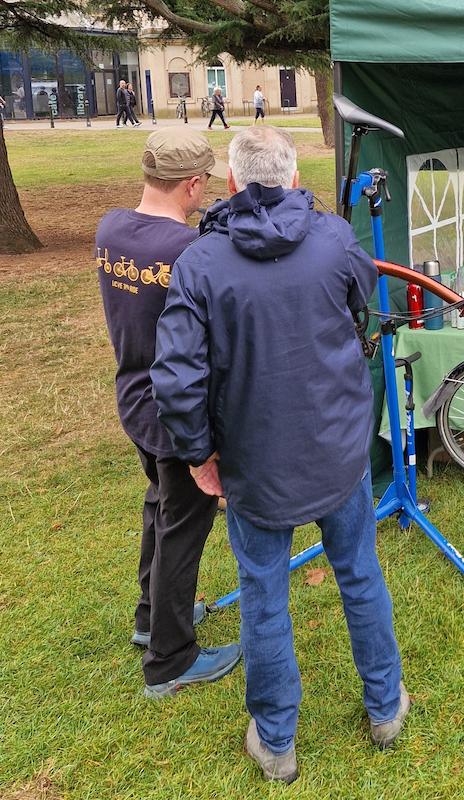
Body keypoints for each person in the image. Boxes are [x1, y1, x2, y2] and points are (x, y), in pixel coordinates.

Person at [151, 126, 407, 784]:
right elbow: (178, 379)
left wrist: (198, 454)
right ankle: (337, 722)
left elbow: (358, 307)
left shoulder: (214, 260)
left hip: (293, 458)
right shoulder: (234, 256)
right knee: (348, 579)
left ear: (234, 183)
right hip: (300, 455)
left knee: (275, 595)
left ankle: (343, 719)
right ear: (291, 180)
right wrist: (199, 454)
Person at [94, 129, 239, 699]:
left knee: (160, 503)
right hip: (177, 412)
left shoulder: (110, 229)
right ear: (194, 184)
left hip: (133, 396)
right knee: (184, 524)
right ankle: (171, 659)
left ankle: (149, 616)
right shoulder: (187, 251)